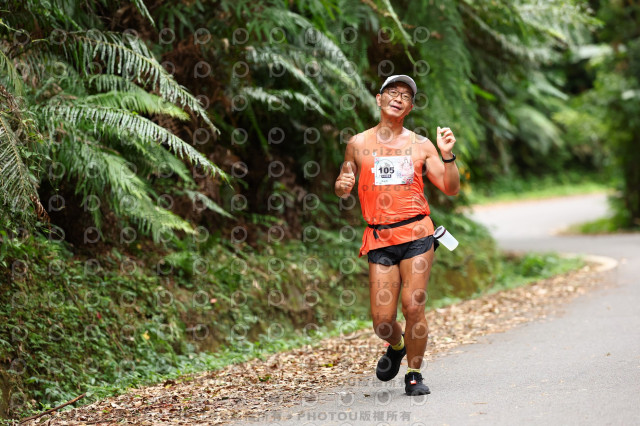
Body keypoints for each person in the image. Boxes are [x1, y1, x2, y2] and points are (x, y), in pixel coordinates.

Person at [335, 75, 460, 395]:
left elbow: (450, 187)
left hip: (418, 233)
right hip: (380, 238)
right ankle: (397, 345)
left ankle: (414, 374)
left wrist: (447, 155)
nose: (398, 97)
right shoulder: (358, 143)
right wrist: (341, 186)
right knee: (382, 321)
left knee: (413, 305)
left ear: (410, 107)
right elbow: (343, 181)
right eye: (392, 92)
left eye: (406, 95)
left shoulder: (422, 145)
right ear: (379, 99)